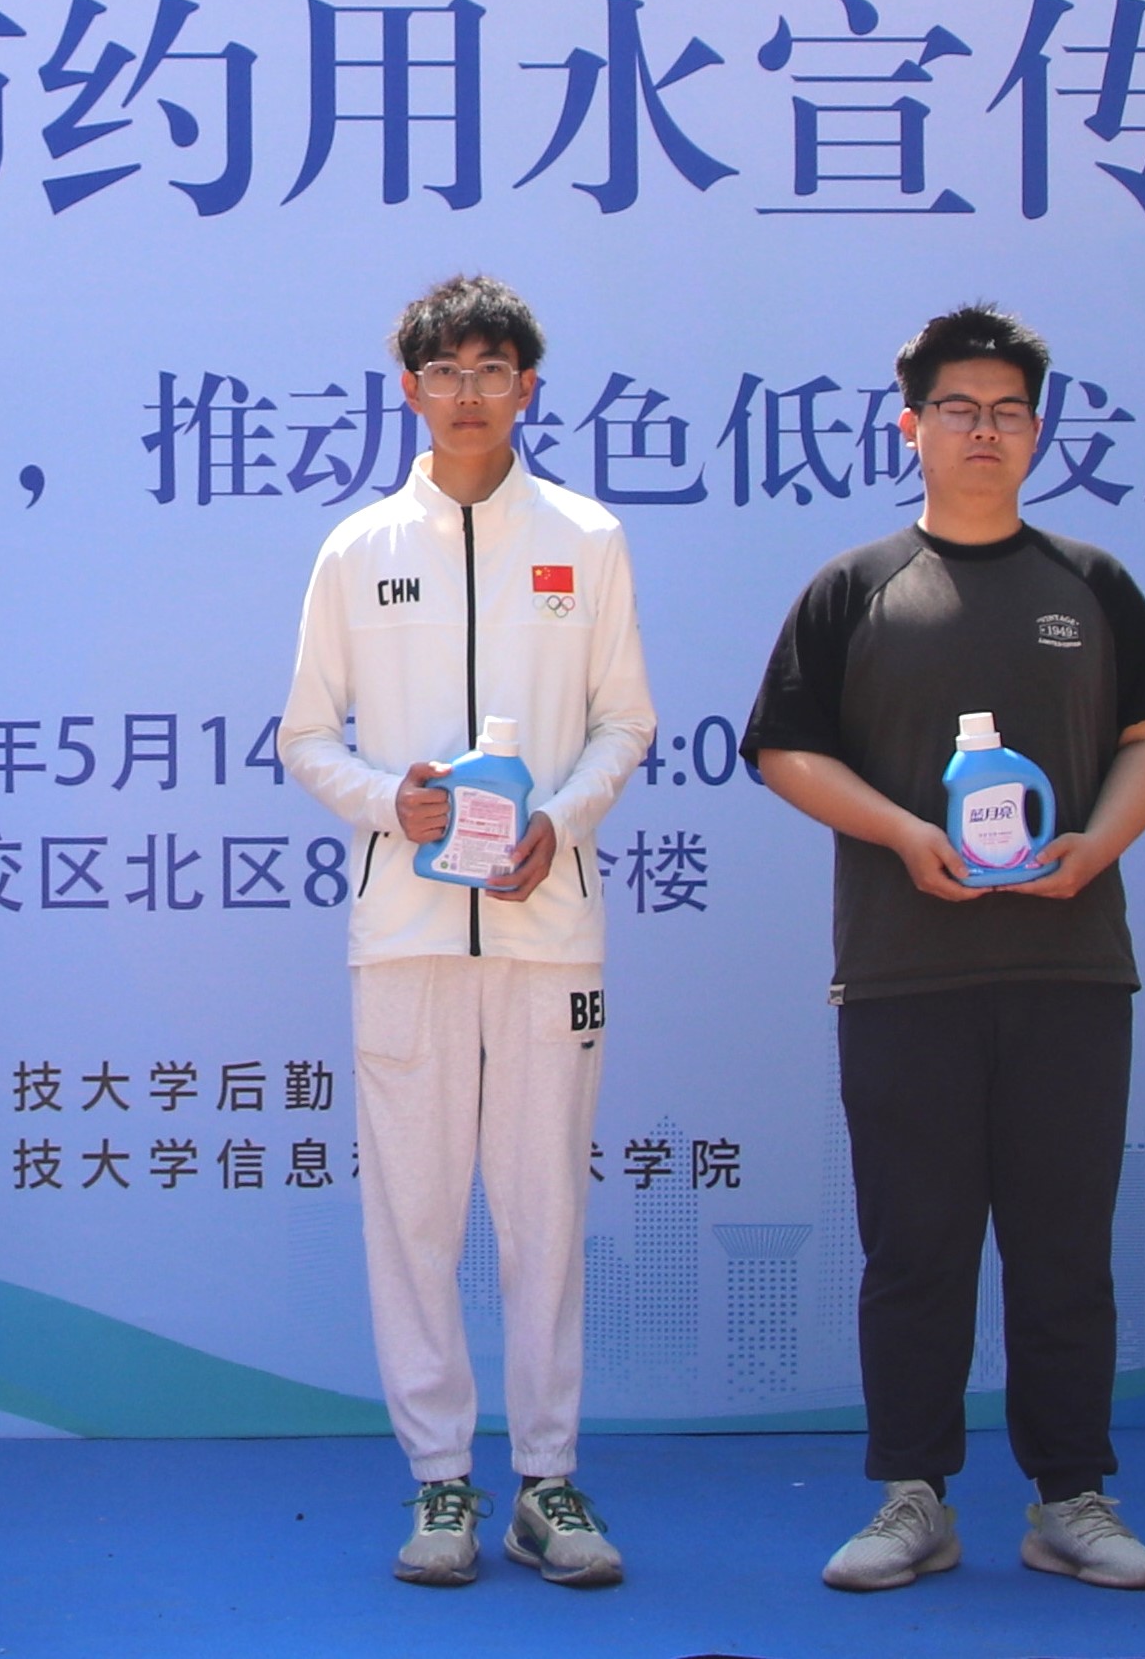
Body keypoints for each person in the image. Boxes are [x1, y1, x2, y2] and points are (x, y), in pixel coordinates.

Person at [759, 304, 1145, 1596]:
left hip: (1070, 964)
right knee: (916, 1246)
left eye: (1007, 410)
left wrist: (1096, 844)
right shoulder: (856, 587)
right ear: (912, 425)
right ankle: (912, 1493)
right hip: (904, 969)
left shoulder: (1091, 582)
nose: (983, 429)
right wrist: (903, 833)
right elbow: (785, 749)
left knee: (1065, 1247)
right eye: (958, 408)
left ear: (1036, 431)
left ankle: (1071, 1497)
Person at [277, 275, 657, 1589]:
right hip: (406, 931)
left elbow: (625, 720)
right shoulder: (357, 547)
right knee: (415, 1213)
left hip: (549, 928)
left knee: (545, 1209)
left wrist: (560, 816)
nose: (469, 393)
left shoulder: (587, 538)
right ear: (410, 390)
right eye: (445, 371)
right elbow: (305, 735)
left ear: (528, 388)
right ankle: (440, 1474)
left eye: (493, 369)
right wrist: (394, 802)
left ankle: (547, 1479)